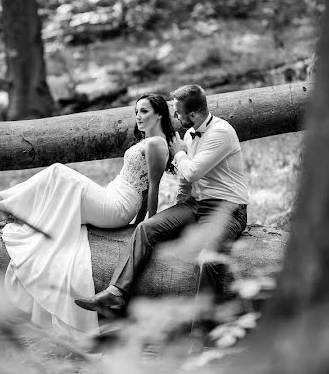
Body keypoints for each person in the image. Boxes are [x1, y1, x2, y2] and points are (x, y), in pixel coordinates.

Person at [0, 94, 176, 336]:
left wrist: (143, 224)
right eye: (136, 112)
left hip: (117, 207)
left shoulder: (157, 144)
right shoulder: (151, 141)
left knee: (60, 173)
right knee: (56, 183)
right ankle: (0, 203)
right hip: (112, 195)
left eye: (143, 111)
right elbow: (145, 187)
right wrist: (139, 219)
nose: (138, 117)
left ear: (160, 114)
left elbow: (152, 188)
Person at [74, 84, 250, 318]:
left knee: (208, 260)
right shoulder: (188, 135)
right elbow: (186, 184)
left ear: (193, 115)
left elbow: (192, 172)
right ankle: (116, 292)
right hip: (196, 205)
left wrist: (178, 152)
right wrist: (176, 211)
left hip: (227, 208)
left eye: (177, 112)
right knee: (146, 228)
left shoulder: (221, 133)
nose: (174, 117)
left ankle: (199, 335)